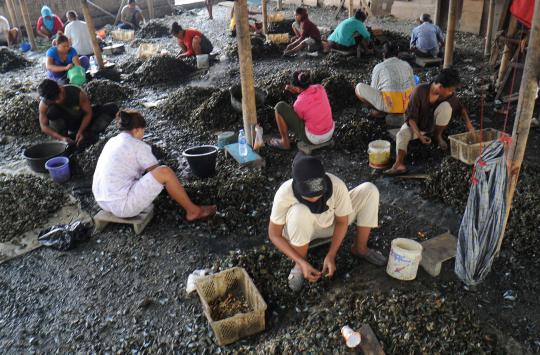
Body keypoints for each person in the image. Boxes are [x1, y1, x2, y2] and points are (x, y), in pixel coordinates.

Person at [268, 153, 386, 292]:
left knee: (369, 190)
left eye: (318, 193)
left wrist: (331, 254)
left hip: (330, 223)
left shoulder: (336, 185)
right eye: (309, 195)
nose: (315, 199)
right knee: (300, 211)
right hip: (298, 230)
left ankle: (360, 248)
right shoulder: (285, 192)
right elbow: (274, 234)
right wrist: (300, 261)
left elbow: (342, 222)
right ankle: (300, 265)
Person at [92, 110, 217, 221]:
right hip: (123, 206)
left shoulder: (111, 141)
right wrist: (176, 185)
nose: (143, 135)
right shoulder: (138, 145)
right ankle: (193, 211)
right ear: (136, 130)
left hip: (102, 200)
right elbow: (158, 173)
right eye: (143, 131)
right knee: (165, 172)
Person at [384, 68, 475, 175]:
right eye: (450, 90)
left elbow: (461, 108)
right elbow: (411, 118)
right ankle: (399, 164)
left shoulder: (447, 94)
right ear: (440, 87)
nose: (452, 92)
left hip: (432, 126)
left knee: (446, 107)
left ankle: (438, 136)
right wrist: (419, 135)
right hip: (417, 127)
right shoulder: (419, 91)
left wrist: (469, 125)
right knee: (401, 135)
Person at [37, 79, 118, 147]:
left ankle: (84, 133)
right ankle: (68, 138)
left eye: (57, 98)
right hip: (68, 125)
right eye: (53, 100)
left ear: (60, 88)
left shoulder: (76, 92)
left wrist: (81, 131)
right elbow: (43, 126)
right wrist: (61, 138)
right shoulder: (45, 103)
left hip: (81, 119)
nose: (56, 101)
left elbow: (88, 113)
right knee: (52, 112)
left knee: (112, 108)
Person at [269, 71, 334, 150]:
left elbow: (300, 119)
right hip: (329, 133)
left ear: (297, 88)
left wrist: (294, 93)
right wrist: (296, 90)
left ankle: (285, 142)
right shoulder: (320, 88)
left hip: (314, 139)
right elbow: (308, 99)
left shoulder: (299, 103)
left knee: (279, 107)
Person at [355, 42, 415, 117]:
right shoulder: (406, 65)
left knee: (358, 87)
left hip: (389, 106)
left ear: (383, 54)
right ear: (398, 54)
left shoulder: (379, 67)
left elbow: (374, 88)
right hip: (408, 105)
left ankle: (380, 112)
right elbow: (414, 87)